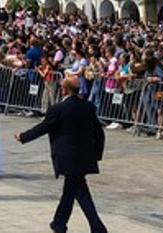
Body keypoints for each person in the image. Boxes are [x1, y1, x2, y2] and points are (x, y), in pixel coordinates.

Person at [14, 76, 108, 233]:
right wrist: (96, 154)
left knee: (80, 192)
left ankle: (97, 227)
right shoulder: (88, 107)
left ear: (64, 90)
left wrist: (23, 136)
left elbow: (44, 127)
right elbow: (99, 133)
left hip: (67, 156)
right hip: (83, 155)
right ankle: (59, 224)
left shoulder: (58, 109)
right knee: (71, 191)